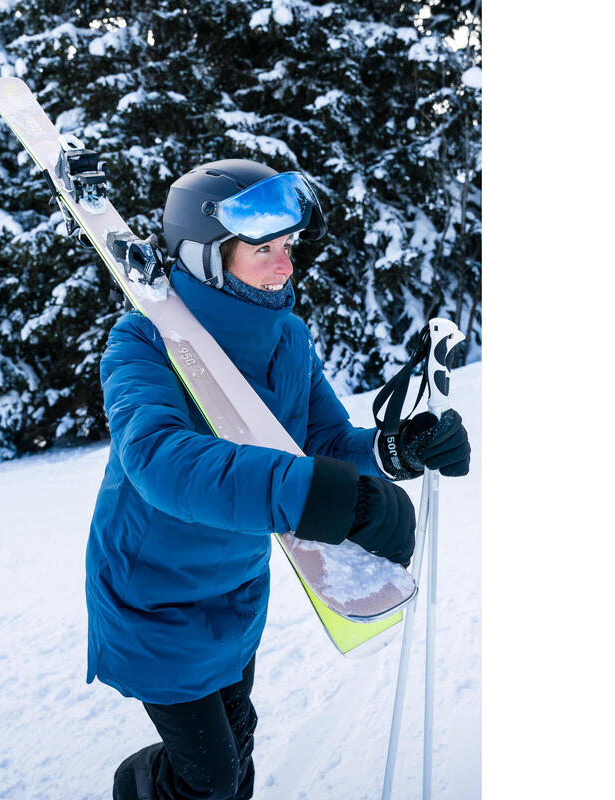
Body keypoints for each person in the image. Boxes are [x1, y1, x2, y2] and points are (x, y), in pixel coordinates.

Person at [85, 159, 471, 800]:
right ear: (207, 257)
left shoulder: (286, 336)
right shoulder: (142, 343)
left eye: (288, 245)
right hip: (153, 594)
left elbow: (320, 441)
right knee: (206, 779)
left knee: (236, 749)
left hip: (236, 586)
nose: (285, 265)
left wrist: (395, 449)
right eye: (263, 248)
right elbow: (160, 460)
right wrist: (324, 498)